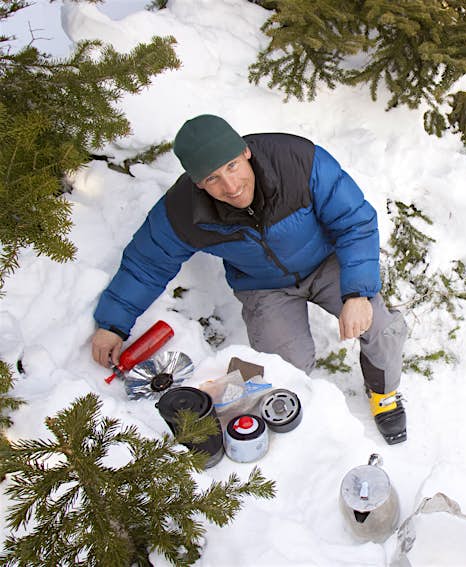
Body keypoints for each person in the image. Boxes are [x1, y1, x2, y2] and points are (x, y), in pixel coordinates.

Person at [91, 114, 408, 444]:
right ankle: (297, 421)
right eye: (212, 179)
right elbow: (148, 263)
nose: (230, 187)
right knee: (282, 366)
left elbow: (355, 221)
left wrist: (357, 293)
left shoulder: (298, 162)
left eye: (231, 166)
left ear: (245, 152)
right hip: (264, 286)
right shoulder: (183, 211)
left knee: (381, 327)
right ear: (198, 183)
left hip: (327, 261)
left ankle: (383, 393)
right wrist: (112, 324)